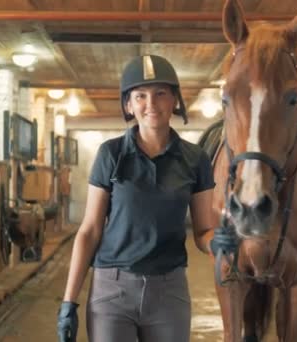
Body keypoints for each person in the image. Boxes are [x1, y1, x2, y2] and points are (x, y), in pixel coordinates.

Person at [56, 54, 238, 342]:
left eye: (160, 94)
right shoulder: (111, 155)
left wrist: (216, 242)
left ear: (175, 101)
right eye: (140, 96)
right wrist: (69, 301)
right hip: (112, 291)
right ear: (128, 105)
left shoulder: (195, 159)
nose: (150, 104)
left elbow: (203, 231)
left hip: (169, 292)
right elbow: (90, 230)